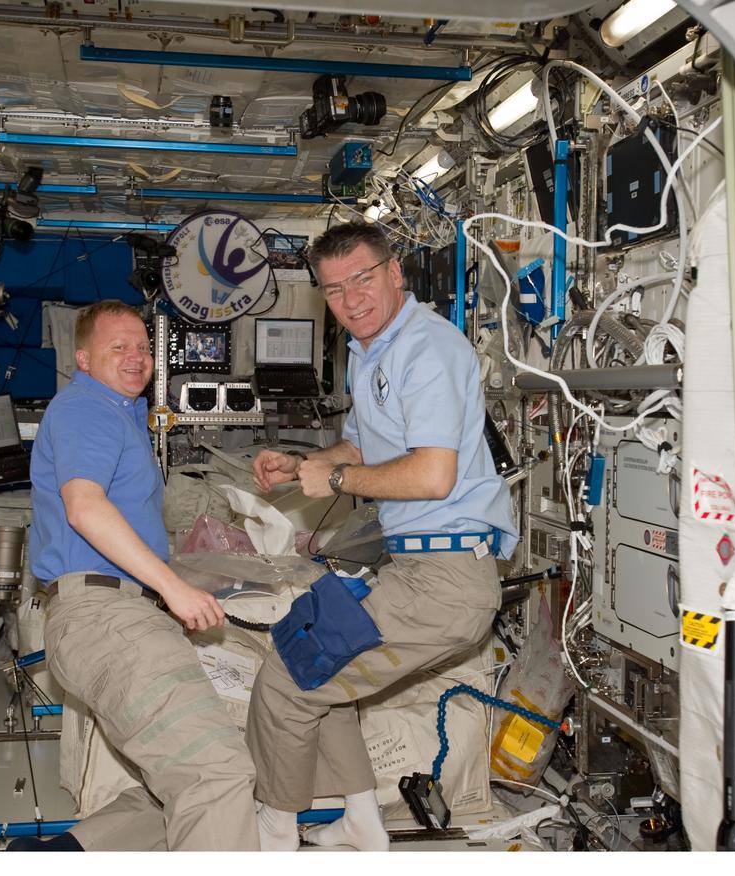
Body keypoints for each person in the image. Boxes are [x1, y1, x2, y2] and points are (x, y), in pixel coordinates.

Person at [245, 222, 519, 851]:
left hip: (444, 580)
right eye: (334, 289)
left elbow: (430, 473)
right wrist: (300, 464)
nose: (351, 298)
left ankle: (272, 835)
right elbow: (371, 446)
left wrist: (337, 477)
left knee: (288, 681)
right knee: (313, 651)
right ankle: (363, 822)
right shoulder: (369, 352)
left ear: (396, 272)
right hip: (415, 570)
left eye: (363, 278)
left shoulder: (427, 347)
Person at [26, 299, 259, 851]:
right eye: (119, 347)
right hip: (106, 618)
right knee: (217, 775)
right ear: (83, 358)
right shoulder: (87, 409)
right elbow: (84, 507)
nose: (137, 357)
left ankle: (60, 856)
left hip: (111, 614)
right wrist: (171, 587)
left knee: (168, 788)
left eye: (144, 347)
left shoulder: (118, 413)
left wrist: (178, 580)